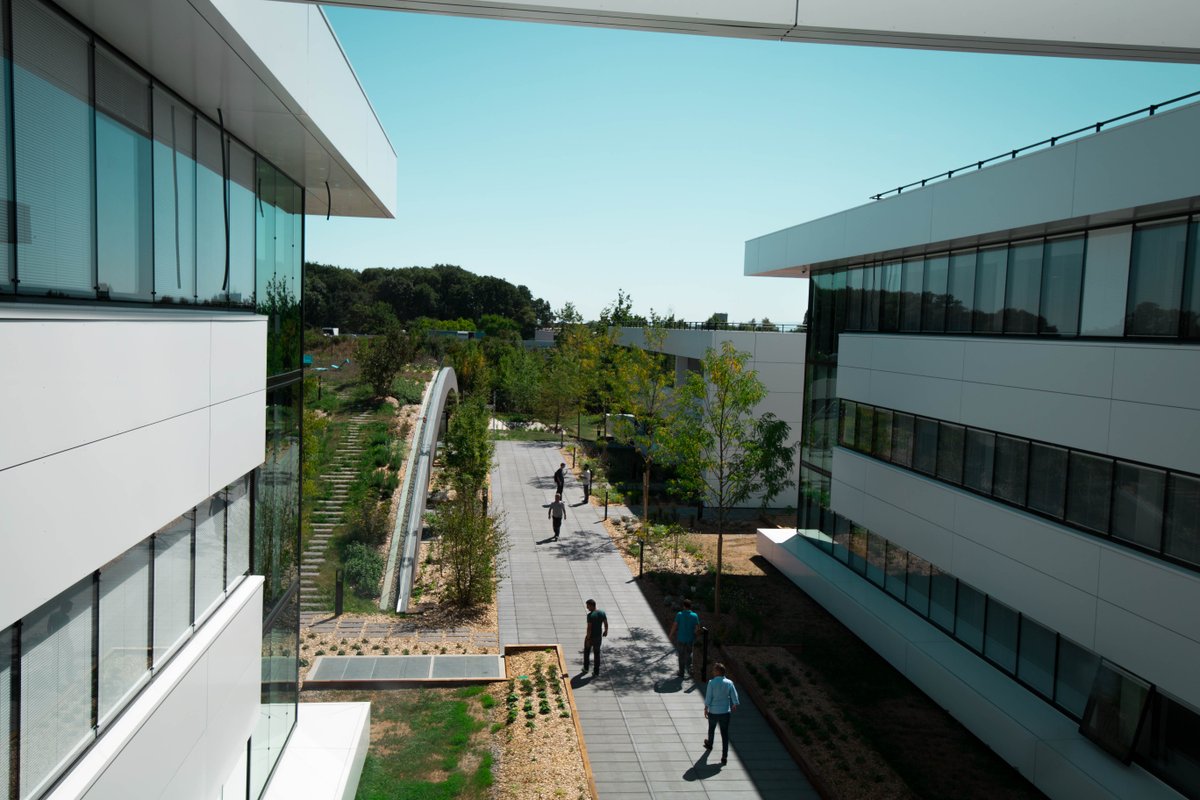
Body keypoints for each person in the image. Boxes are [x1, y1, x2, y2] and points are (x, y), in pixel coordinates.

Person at [703, 662, 739, 765]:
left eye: (714, 670)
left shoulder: (711, 682)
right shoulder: (729, 683)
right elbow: (734, 694)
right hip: (725, 711)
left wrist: (706, 707)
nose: (713, 671)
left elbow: (709, 696)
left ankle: (710, 744)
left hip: (713, 711)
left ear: (718, 671)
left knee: (711, 729)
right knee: (725, 734)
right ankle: (724, 756)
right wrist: (735, 703)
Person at [668, 599, 700, 678]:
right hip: (690, 639)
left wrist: (670, 635)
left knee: (681, 655)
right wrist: (696, 636)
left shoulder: (679, 614)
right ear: (690, 606)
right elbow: (697, 629)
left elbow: (674, 625)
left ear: (684, 606)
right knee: (689, 654)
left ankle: (681, 672)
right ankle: (689, 669)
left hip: (681, 638)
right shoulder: (695, 616)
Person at [583, 598, 608, 676]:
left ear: (591, 605)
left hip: (591, 638)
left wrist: (587, 638)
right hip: (598, 637)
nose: (587, 608)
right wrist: (606, 631)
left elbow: (589, 628)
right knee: (597, 654)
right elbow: (606, 623)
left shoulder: (590, 616)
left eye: (588, 606)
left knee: (587, 652)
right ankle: (596, 671)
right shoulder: (602, 613)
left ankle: (586, 668)